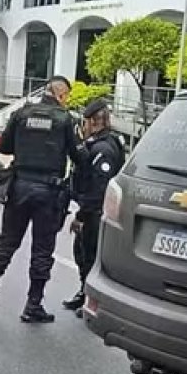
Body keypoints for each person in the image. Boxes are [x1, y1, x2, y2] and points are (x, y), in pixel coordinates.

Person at [0, 75, 80, 323]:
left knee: (7, 241)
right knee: (42, 250)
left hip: (20, 187)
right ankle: (33, 305)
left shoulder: (22, 114)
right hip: (49, 192)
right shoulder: (65, 119)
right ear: (62, 95)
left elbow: (4, 148)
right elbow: (77, 155)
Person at [63, 98, 125, 312]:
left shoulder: (104, 149)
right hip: (91, 210)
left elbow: (98, 188)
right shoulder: (96, 144)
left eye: (85, 122)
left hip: (96, 212)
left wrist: (81, 215)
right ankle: (84, 292)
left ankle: (93, 301)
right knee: (82, 253)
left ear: (92, 122)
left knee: (91, 257)